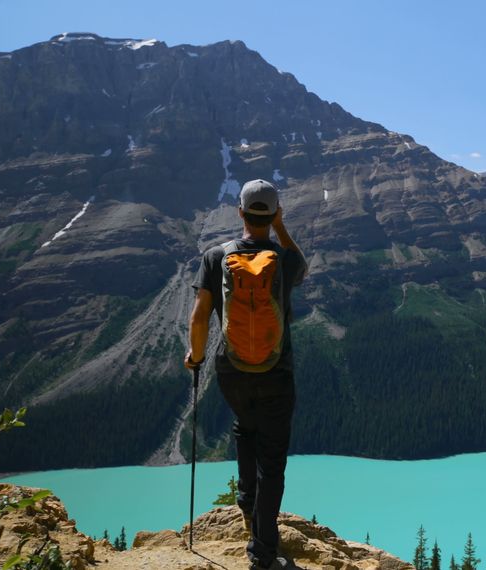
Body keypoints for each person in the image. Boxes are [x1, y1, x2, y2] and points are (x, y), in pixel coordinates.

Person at [185, 179, 308, 570]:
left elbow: (200, 315)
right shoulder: (284, 260)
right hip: (277, 371)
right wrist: (281, 227)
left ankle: (247, 508)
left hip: (231, 370)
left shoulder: (216, 256)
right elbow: (300, 263)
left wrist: (196, 356)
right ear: (272, 215)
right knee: (271, 461)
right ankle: (263, 553)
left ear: (240, 212)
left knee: (244, 426)